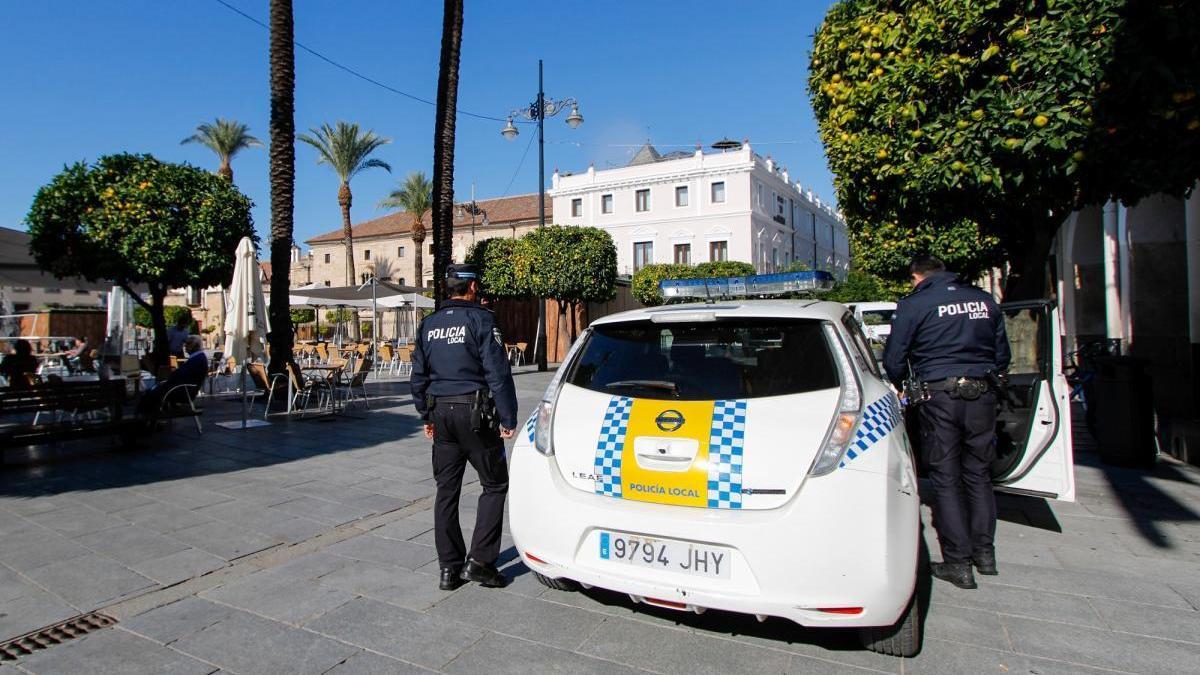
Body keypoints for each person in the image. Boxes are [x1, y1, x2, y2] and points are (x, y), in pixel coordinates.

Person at [883, 255, 1011, 590]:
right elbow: (1003, 356)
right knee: (979, 475)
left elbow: (894, 359)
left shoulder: (916, 304)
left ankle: (958, 563)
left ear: (917, 276)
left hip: (939, 396)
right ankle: (985, 555)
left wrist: (904, 383)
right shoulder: (985, 301)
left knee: (946, 478)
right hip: (982, 394)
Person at [410, 264, 518, 591]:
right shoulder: (482, 320)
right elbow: (497, 373)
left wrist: (425, 416)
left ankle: (449, 569)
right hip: (474, 413)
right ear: (471, 288)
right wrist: (508, 417)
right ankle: (480, 562)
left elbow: (418, 377)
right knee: (495, 484)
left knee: (446, 491)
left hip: (441, 414)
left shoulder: (428, 325)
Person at [138, 335, 208, 420]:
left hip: (183, 390)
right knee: (151, 392)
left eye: (188, 344)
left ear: (195, 346)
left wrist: (171, 377)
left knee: (151, 394)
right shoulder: (197, 358)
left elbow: (182, 374)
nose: (185, 346)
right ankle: (148, 420)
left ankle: (145, 421)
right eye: (185, 344)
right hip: (181, 387)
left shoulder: (198, 359)